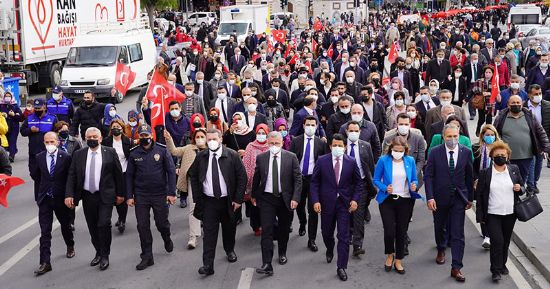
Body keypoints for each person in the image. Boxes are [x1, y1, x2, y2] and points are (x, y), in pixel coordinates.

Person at [189, 128, 247, 276]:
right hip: (209, 202)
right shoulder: (201, 156)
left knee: (229, 229)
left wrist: (238, 199)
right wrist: (197, 197)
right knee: (209, 234)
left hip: (228, 201)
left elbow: (242, 177)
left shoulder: (232, 155)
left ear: (221, 139)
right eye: (209, 140)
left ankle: (229, 250)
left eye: (214, 139)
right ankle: (208, 265)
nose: (212, 142)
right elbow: (193, 175)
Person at [65, 127, 124, 271]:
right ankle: (98, 251)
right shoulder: (78, 154)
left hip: (106, 195)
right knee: (92, 227)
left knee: (103, 224)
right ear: (85, 138)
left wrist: (121, 194)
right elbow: (72, 175)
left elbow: (118, 175)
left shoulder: (110, 152)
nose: (91, 139)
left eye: (94, 136)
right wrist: (69, 195)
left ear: (100, 138)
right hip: (87, 196)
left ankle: (105, 255)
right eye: (88, 137)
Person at [424, 124, 474, 282]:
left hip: (459, 198)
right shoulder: (435, 152)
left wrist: (469, 198)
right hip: (439, 198)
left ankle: (456, 267)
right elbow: (429, 176)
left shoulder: (465, 152)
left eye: (455, 136)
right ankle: (440, 249)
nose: (452, 139)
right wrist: (430, 197)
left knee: (458, 233)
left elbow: (469, 176)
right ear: (443, 137)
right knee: (440, 227)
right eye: (449, 137)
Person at [310, 133, 363, 281]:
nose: (337, 148)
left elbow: (358, 183)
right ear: (330, 146)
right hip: (326, 203)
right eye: (335, 146)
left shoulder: (351, 162)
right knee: (327, 232)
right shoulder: (322, 161)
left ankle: (341, 266)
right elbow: (314, 182)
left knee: (344, 236)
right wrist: (315, 201)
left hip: (344, 205)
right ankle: (329, 247)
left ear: (345, 147)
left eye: (340, 146)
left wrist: (355, 199)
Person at [126, 124, 176, 270]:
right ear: (138, 137)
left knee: (161, 223)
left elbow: (171, 171)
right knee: (142, 226)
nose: (144, 138)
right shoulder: (134, 153)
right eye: (141, 136)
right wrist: (129, 195)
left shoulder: (161, 150)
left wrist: (171, 193)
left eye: (146, 135)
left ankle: (166, 237)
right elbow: (129, 176)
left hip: (159, 194)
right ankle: (147, 256)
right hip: (141, 195)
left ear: (151, 136)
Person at [252, 132, 302, 276]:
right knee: (266, 230)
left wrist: (295, 198)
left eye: (277, 144)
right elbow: (257, 177)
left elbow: (298, 179)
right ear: (268, 143)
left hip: (285, 198)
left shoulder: (291, 157)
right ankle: (267, 263)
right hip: (267, 199)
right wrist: (254, 195)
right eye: (271, 143)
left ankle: (282, 252)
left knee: (284, 228)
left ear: (282, 143)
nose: (274, 146)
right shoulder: (261, 158)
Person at [475, 141, 524, 282]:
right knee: (497, 242)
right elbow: (480, 196)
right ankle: (495, 270)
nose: (501, 157)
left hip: (510, 213)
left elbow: (523, 187)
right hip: (492, 214)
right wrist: (480, 216)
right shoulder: (486, 173)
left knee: (506, 241)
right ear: (492, 157)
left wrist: (519, 188)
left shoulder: (514, 169)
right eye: (497, 155)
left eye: (503, 155)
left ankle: (502, 264)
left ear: (508, 156)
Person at [373, 136, 422, 275]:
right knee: (389, 230)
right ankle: (390, 254)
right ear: (391, 149)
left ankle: (399, 259)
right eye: (395, 150)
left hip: (405, 200)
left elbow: (414, 179)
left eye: (401, 150)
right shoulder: (383, 160)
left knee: (402, 231)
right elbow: (375, 179)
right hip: (387, 200)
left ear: (405, 150)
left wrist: (414, 185)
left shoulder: (410, 161)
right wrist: (384, 187)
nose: (398, 152)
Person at [31, 132, 74, 275]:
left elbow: (70, 177)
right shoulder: (39, 157)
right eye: (46, 142)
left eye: (52, 141)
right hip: (45, 200)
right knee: (45, 231)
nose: (49, 144)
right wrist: (39, 196)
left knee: (65, 225)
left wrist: (69, 196)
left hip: (61, 199)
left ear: (57, 142)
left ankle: (70, 245)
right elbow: (36, 176)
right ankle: (45, 262)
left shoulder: (65, 157)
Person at [165, 128, 207, 249]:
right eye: (197, 137)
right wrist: (169, 139)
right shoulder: (189, 148)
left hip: (208, 182)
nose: (199, 139)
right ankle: (193, 237)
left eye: (202, 137)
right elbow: (174, 151)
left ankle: (207, 229)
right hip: (192, 181)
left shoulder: (211, 149)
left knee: (208, 207)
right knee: (193, 208)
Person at [493, 95, 550, 185]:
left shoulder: (530, 116)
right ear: (508, 104)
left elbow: (541, 132)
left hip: (526, 157)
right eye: (513, 103)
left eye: (518, 103)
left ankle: (521, 195)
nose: (515, 104)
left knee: (522, 180)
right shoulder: (501, 117)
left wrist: (546, 148)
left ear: (522, 104)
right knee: (508, 181)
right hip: (507, 158)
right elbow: (494, 133)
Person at [290, 116, 327, 252]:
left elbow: (324, 163)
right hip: (299, 178)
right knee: (299, 205)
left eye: (313, 124)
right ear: (303, 125)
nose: (310, 127)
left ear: (316, 126)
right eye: (308, 124)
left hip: (314, 180)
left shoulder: (321, 143)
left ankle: (311, 239)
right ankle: (302, 222)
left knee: (313, 210)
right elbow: (291, 160)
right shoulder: (296, 141)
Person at [345, 121, 377, 257]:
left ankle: (357, 244)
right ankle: (348, 235)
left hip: (362, 185)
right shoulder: (341, 146)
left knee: (358, 214)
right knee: (347, 213)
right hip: (345, 186)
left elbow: (370, 166)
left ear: (359, 132)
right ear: (346, 131)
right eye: (350, 130)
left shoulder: (366, 146)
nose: (353, 133)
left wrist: (373, 184)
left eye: (356, 130)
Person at [20, 98, 58, 199]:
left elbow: (57, 133)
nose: (37, 110)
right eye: (35, 108)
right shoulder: (29, 118)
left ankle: (43, 195)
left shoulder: (52, 118)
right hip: (34, 152)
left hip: (48, 152)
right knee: (35, 174)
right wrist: (30, 130)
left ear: (44, 107)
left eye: (39, 108)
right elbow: (22, 131)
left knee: (46, 174)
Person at [472, 124, 501, 249]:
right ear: (482, 136)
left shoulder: (500, 149)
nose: (490, 137)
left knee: (493, 209)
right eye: (487, 135)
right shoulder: (476, 149)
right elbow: (472, 167)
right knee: (483, 209)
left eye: (492, 135)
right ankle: (486, 235)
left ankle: (490, 234)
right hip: (481, 184)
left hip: (496, 184)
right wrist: (475, 179)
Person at [101, 119, 131, 234]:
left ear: (122, 129)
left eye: (118, 127)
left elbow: (130, 158)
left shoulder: (127, 141)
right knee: (113, 197)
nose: (116, 128)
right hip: (110, 174)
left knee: (122, 197)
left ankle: (122, 219)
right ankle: (119, 216)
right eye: (113, 126)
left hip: (123, 173)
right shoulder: (107, 141)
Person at [242, 124, 270, 236]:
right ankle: (256, 226)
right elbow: (246, 164)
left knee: (267, 208)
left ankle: (266, 226)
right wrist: (247, 183)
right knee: (255, 208)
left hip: (268, 183)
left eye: (263, 133)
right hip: (254, 183)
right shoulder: (250, 146)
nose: (261, 135)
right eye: (259, 133)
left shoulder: (270, 146)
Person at [0, 91, 23, 162]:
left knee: (12, 141)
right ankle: (5, 155)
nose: (7, 98)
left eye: (9, 96)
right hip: (4, 127)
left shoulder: (15, 106)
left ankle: (11, 156)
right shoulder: (1, 106)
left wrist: (14, 115)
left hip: (14, 127)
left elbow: (21, 118)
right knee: (4, 142)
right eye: (6, 96)